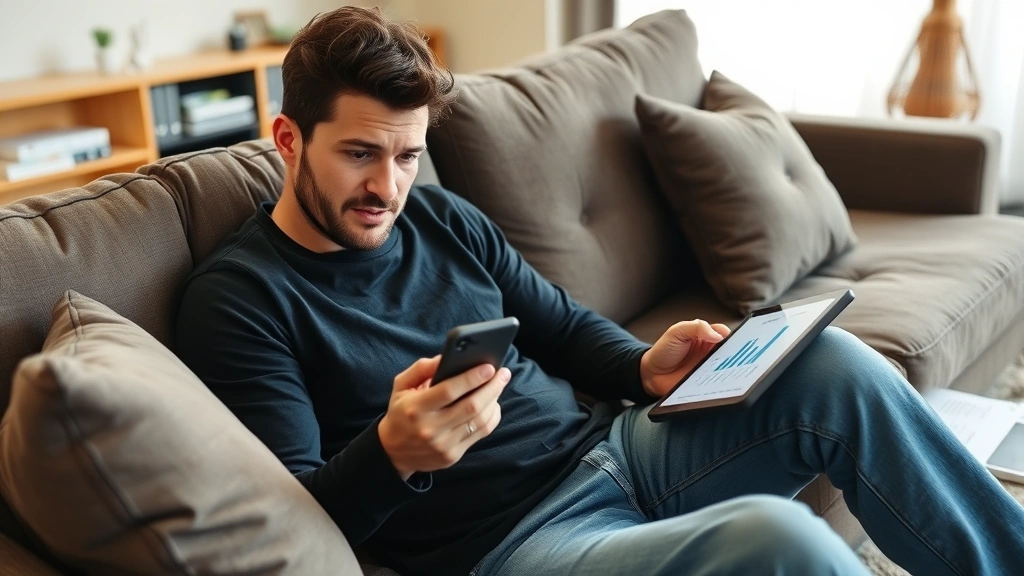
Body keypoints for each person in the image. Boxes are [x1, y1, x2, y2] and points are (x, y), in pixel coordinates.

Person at [175, 6, 1024, 576]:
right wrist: (393, 455)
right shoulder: (242, 301)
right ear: (288, 138)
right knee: (777, 541)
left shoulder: (441, 217)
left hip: (622, 449)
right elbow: (296, 524)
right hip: (519, 543)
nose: (387, 187)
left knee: (832, 364)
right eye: (360, 154)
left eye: (406, 156)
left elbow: (563, 326)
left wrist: (644, 366)